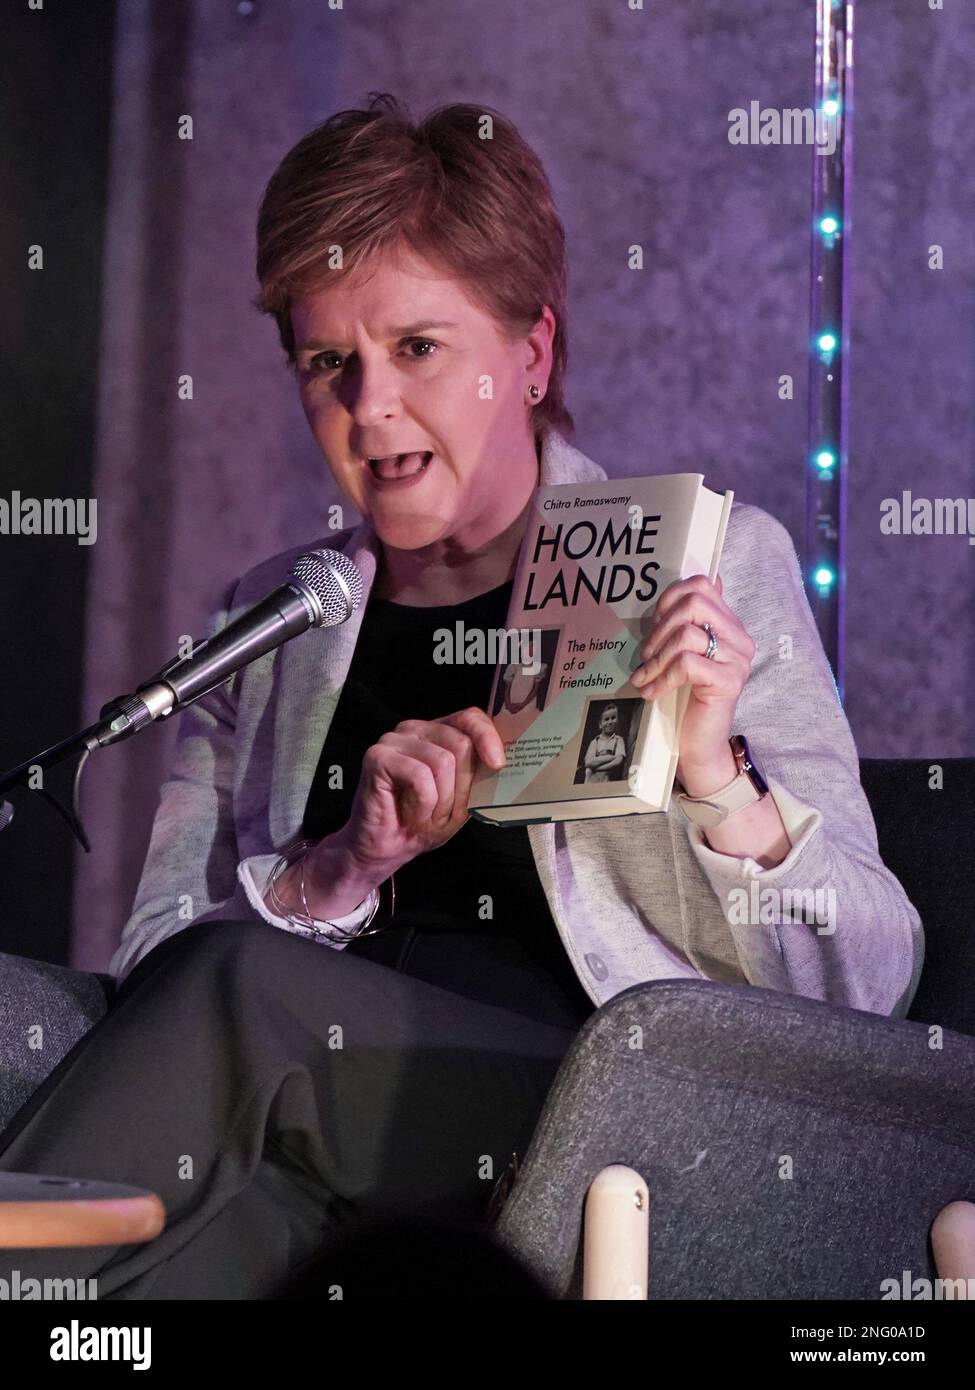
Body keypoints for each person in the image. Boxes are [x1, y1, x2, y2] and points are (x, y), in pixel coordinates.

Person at [0, 93, 924, 1300]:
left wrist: (717, 780)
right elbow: (153, 967)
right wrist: (336, 873)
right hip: (324, 1123)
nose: (368, 407)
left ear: (531, 355)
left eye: (417, 349)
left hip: (602, 1108)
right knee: (209, 1245)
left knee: (242, 1007)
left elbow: (870, 977)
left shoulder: (705, 563)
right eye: (328, 361)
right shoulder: (276, 615)